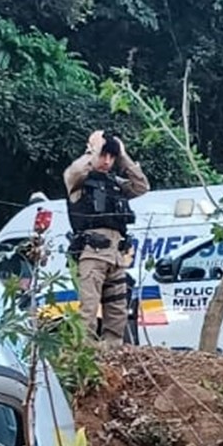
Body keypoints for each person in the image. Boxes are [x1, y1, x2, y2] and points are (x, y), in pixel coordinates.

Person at [63, 131, 149, 341]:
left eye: (112, 157)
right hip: (92, 254)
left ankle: (112, 359)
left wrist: (123, 155)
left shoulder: (115, 184)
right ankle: (85, 359)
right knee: (88, 312)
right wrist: (93, 150)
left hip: (116, 257)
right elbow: (72, 172)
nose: (107, 161)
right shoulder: (80, 181)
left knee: (117, 314)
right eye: (104, 155)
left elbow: (141, 186)